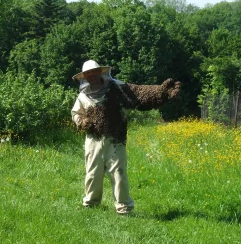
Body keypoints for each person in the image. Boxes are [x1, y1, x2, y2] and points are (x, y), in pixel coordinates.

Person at [71, 60, 181, 215]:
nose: (91, 76)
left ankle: (123, 207)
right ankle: (91, 204)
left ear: (100, 72)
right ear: (84, 76)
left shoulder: (118, 88)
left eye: (93, 72)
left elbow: (139, 93)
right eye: (87, 73)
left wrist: (161, 92)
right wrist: (82, 122)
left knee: (118, 173)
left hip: (115, 140)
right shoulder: (83, 95)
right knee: (92, 173)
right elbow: (76, 114)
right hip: (93, 140)